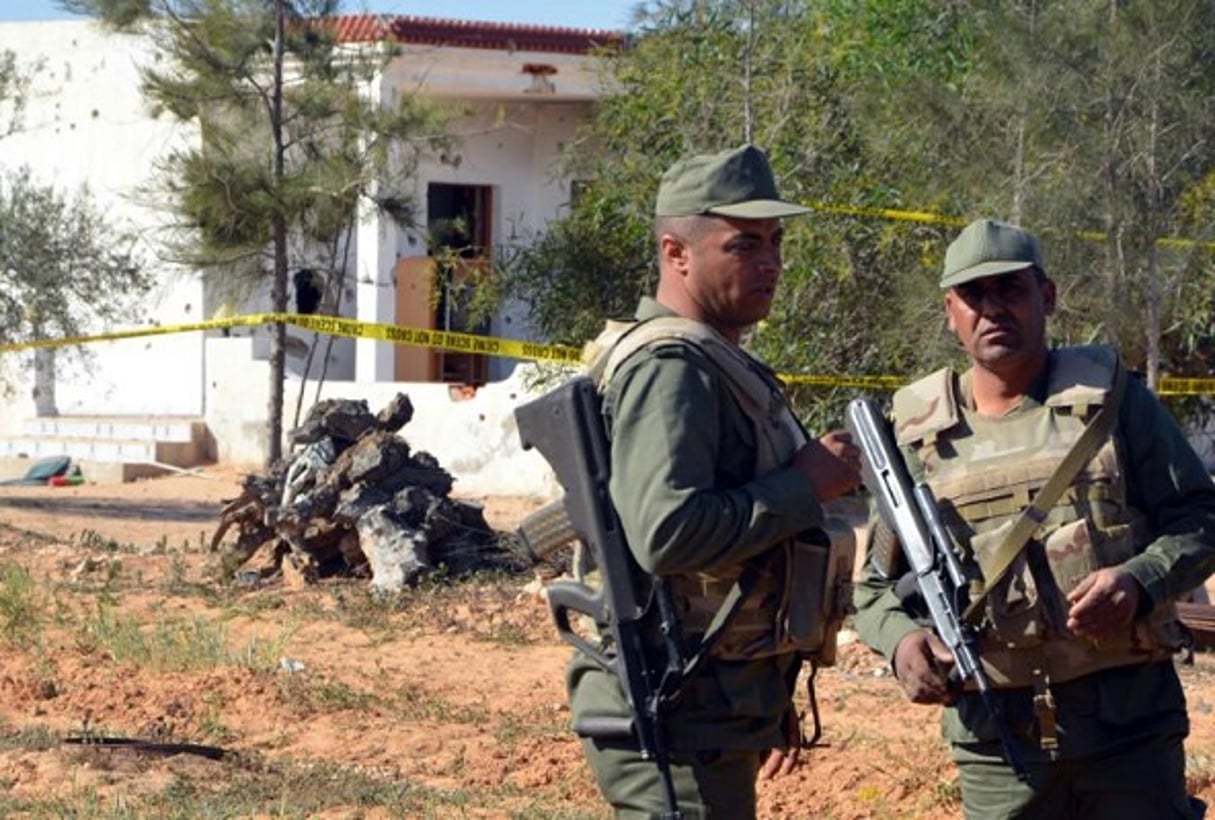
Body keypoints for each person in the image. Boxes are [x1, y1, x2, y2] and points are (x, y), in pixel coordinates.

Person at [853, 217, 1215, 819]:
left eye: (1009, 289)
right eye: (974, 296)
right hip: (998, 746)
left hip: (1129, 729)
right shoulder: (913, 439)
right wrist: (903, 643)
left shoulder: (1116, 402)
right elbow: (873, 586)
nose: (992, 308)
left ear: (1045, 297)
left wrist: (1138, 579)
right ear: (950, 311)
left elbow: (1202, 515)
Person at [568, 144, 862, 818]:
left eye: (776, 241)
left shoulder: (713, 359)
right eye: (744, 244)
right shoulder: (672, 368)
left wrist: (767, 690)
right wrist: (806, 485)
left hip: (712, 699)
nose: (771, 262)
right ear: (677, 253)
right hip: (675, 708)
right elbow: (666, 533)